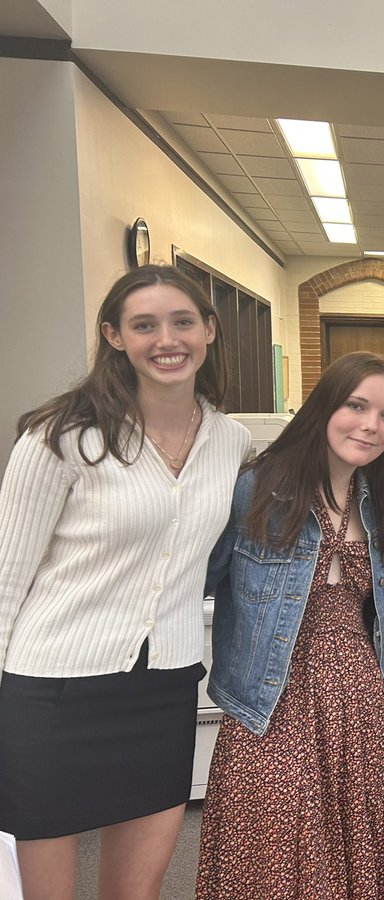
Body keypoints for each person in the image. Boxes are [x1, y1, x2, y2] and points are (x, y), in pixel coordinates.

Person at [0, 265, 249, 900]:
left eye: (183, 321)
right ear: (115, 337)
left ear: (210, 331)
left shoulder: (231, 440)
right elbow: (6, 579)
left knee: (136, 891)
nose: (167, 339)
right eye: (144, 325)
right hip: (53, 688)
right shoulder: (60, 437)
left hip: (163, 687)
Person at [195, 351, 384, 898]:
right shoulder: (256, 488)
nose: (371, 425)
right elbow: (195, 578)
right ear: (324, 408)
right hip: (274, 696)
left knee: (353, 848)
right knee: (274, 849)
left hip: (361, 702)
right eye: (356, 406)